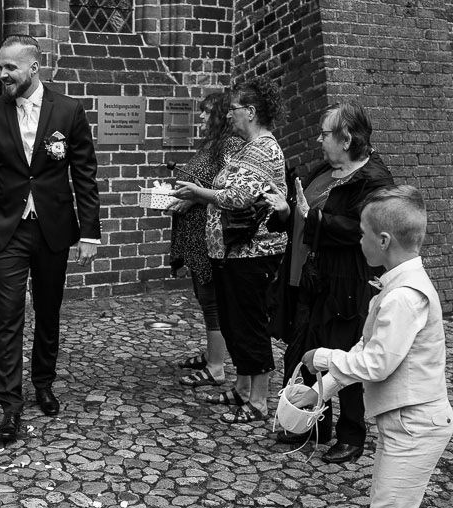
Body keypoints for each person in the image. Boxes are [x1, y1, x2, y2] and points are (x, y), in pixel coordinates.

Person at [299, 186, 453, 508]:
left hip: (414, 425)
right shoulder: (400, 285)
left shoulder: (404, 296)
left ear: (383, 239)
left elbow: (378, 363)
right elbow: (371, 357)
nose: (358, 239)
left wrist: (321, 358)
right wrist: (320, 392)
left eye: (363, 232)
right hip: (408, 421)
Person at [0, 35, 101, 444]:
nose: (2, 74)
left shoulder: (69, 110)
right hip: (7, 229)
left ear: (33, 68)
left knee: (48, 311)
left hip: (53, 229)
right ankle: (10, 405)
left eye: (10, 67)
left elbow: (84, 175)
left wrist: (89, 233)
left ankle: (43, 383)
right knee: (8, 316)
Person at [265, 101, 394, 462]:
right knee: (304, 348)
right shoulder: (326, 168)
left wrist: (316, 220)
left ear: (347, 138)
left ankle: (351, 435)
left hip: (347, 282)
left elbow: (364, 230)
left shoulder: (374, 180)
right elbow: (303, 212)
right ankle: (311, 423)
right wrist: (287, 211)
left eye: (326, 134)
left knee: (345, 353)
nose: (320, 140)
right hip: (309, 276)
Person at [172, 76, 287, 424]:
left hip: (254, 254)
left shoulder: (265, 148)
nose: (227, 116)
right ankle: (241, 388)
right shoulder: (247, 147)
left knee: (250, 325)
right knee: (236, 324)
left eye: (234, 110)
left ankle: (258, 401)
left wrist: (198, 193)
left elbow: (238, 197)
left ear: (250, 112)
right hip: (233, 253)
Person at [165, 92, 245, 388]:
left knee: (212, 300)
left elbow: (227, 187)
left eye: (206, 112)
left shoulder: (230, 145)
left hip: (209, 234)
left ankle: (215, 367)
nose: (200, 117)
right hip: (195, 235)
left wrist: (196, 198)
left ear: (222, 115)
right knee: (204, 296)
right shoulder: (211, 144)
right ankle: (214, 353)